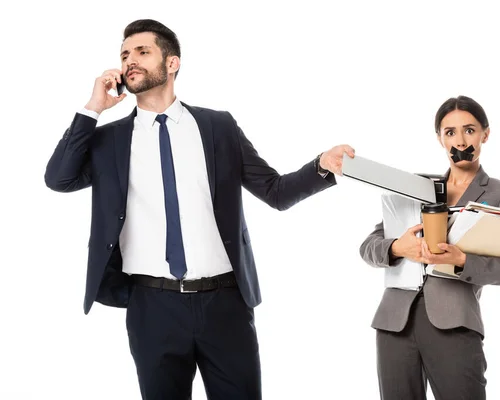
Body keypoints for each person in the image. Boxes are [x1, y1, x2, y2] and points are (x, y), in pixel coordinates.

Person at [44, 19, 354, 400]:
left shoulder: (217, 127)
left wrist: (320, 165)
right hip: (151, 306)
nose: (130, 61)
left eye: (142, 52)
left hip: (225, 303)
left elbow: (275, 191)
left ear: (172, 63)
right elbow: (59, 178)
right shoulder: (108, 140)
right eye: (124, 55)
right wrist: (93, 108)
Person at [359, 95, 500, 399]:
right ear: (439, 138)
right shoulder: (416, 186)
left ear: (485, 134)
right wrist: (398, 247)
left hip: (454, 323)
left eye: (469, 130)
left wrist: (463, 260)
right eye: (450, 132)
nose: (460, 140)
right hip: (395, 322)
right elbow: (368, 246)